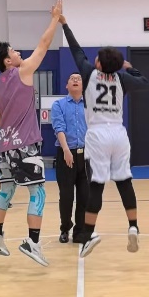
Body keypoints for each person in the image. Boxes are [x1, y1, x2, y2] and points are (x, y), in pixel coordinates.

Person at [60, 16, 149, 258]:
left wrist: (64, 24)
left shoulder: (89, 74)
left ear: (99, 63)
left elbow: (76, 50)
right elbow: (144, 82)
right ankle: (133, 226)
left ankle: (89, 233)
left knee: (97, 185)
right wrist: (129, 68)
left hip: (97, 134)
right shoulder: (122, 78)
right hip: (119, 133)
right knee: (124, 181)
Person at [0, 0, 63, 267]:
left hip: (4, 145)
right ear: (8, 60)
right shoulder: (22, 71)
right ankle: (32, 242)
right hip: (25, 144)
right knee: (37, 192)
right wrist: (55, 18)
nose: (18, 53)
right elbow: (44, 44)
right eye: (14, 51)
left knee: (6, 189)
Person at [51, 73, 89, 244]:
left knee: (84, 196)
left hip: (87, 155)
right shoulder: (58, 105)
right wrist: (66, 149)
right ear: (67, 85)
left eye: (78, 79)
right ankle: (65, 228)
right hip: (66, 153)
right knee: (66, 196)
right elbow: (59, 127)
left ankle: (80, 230)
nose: (75, 80)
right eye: (72, 78)